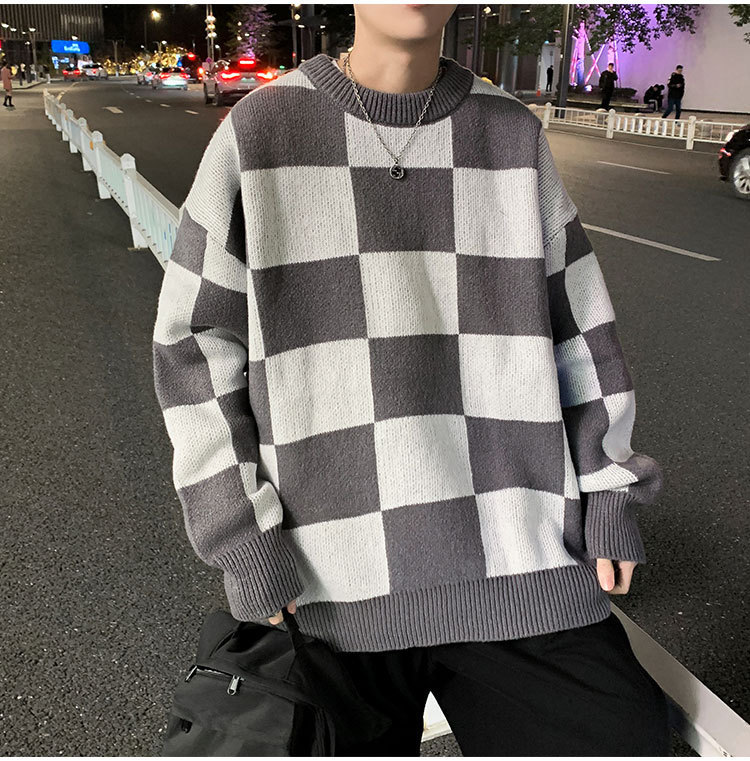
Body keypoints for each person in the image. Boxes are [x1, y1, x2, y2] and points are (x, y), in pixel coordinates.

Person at [152, 4, 669, 756]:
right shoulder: (260, 131)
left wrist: (610, 489)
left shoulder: (510, 132)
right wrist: (240, 538)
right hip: (322, 581)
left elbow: (580, 329)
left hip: (516, 557)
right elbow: (194, 347)